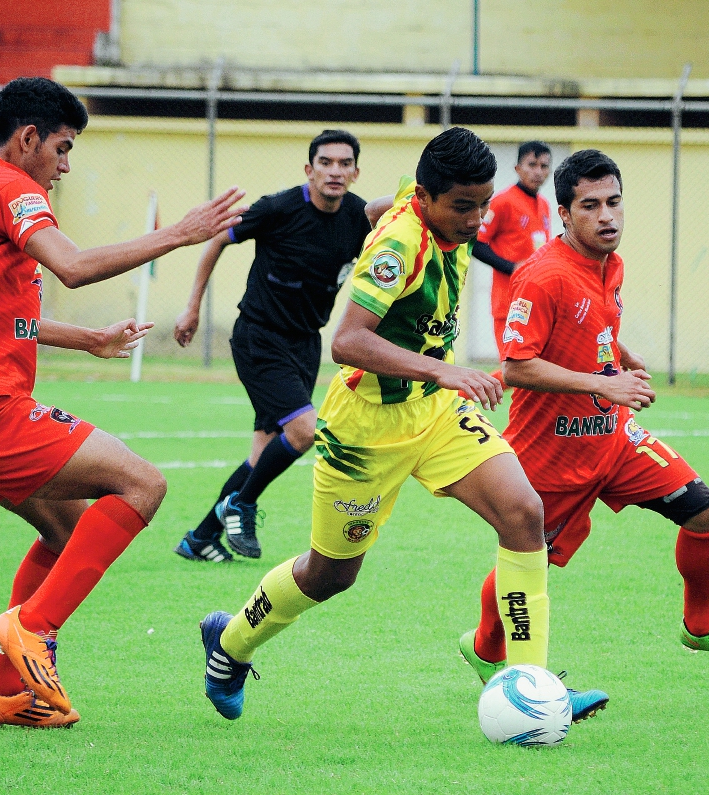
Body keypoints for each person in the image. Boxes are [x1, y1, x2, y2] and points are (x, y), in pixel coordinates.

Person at [197, 127, 605, 723]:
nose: (475, 220)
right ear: (429, 197)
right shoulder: (398, 248)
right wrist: (444, 370)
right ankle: (229, 644)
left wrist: (439, 379)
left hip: (435, 411)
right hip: (364, 431)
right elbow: (347, 341)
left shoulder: (429, 205)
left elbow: (384, 205)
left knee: (524, 513)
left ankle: (534, 685)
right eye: (462, 207)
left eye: (483, 204)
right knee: (331, 574)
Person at [0, 77, 245, 728]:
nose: (64, 167)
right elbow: (74, 266)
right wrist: (179, 234)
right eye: (61, 149)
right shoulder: (11, 187)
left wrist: (86, 338)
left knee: (66, 533)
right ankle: (32, 628)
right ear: (28, 138)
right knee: (142, 484)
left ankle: (4, 693)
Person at [459, 149, 709, 687]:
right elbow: (516, 366)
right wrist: (606, 384)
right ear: (564, 213)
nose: (607, 216)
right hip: (551, 453)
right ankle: (486, 647)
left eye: (614, 202)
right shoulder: (541, 276)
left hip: (615, 437)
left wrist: (620, 354)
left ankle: (701, 625)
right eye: (590, 206)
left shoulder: (612, 264)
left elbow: (592, 325)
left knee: (706, 514)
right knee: (530, 560)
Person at [172, 130, 369, 562]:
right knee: (304, 431)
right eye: (325, 162)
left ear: (355, 172)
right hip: (259, 338)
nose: (334, 171)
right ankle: (241, 504)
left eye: (344, 163)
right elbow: (218, 239)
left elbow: (395, 223)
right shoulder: (278, 208)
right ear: (309, 169)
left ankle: (200, 538)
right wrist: (192, 308)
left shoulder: (360, 218)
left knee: (262, 453)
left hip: (306, 345)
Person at [472, 141, 552, 383]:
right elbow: (475, 244)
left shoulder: (544, 205)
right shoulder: (502, 201)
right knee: (517, 370)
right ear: (517, 168)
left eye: (544, 166)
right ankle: (460, 393)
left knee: (534, 371)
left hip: (536, 301)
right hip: (509, 302)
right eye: (532, 164)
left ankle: (461, 393)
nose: (538, 171)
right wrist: (513, 267)